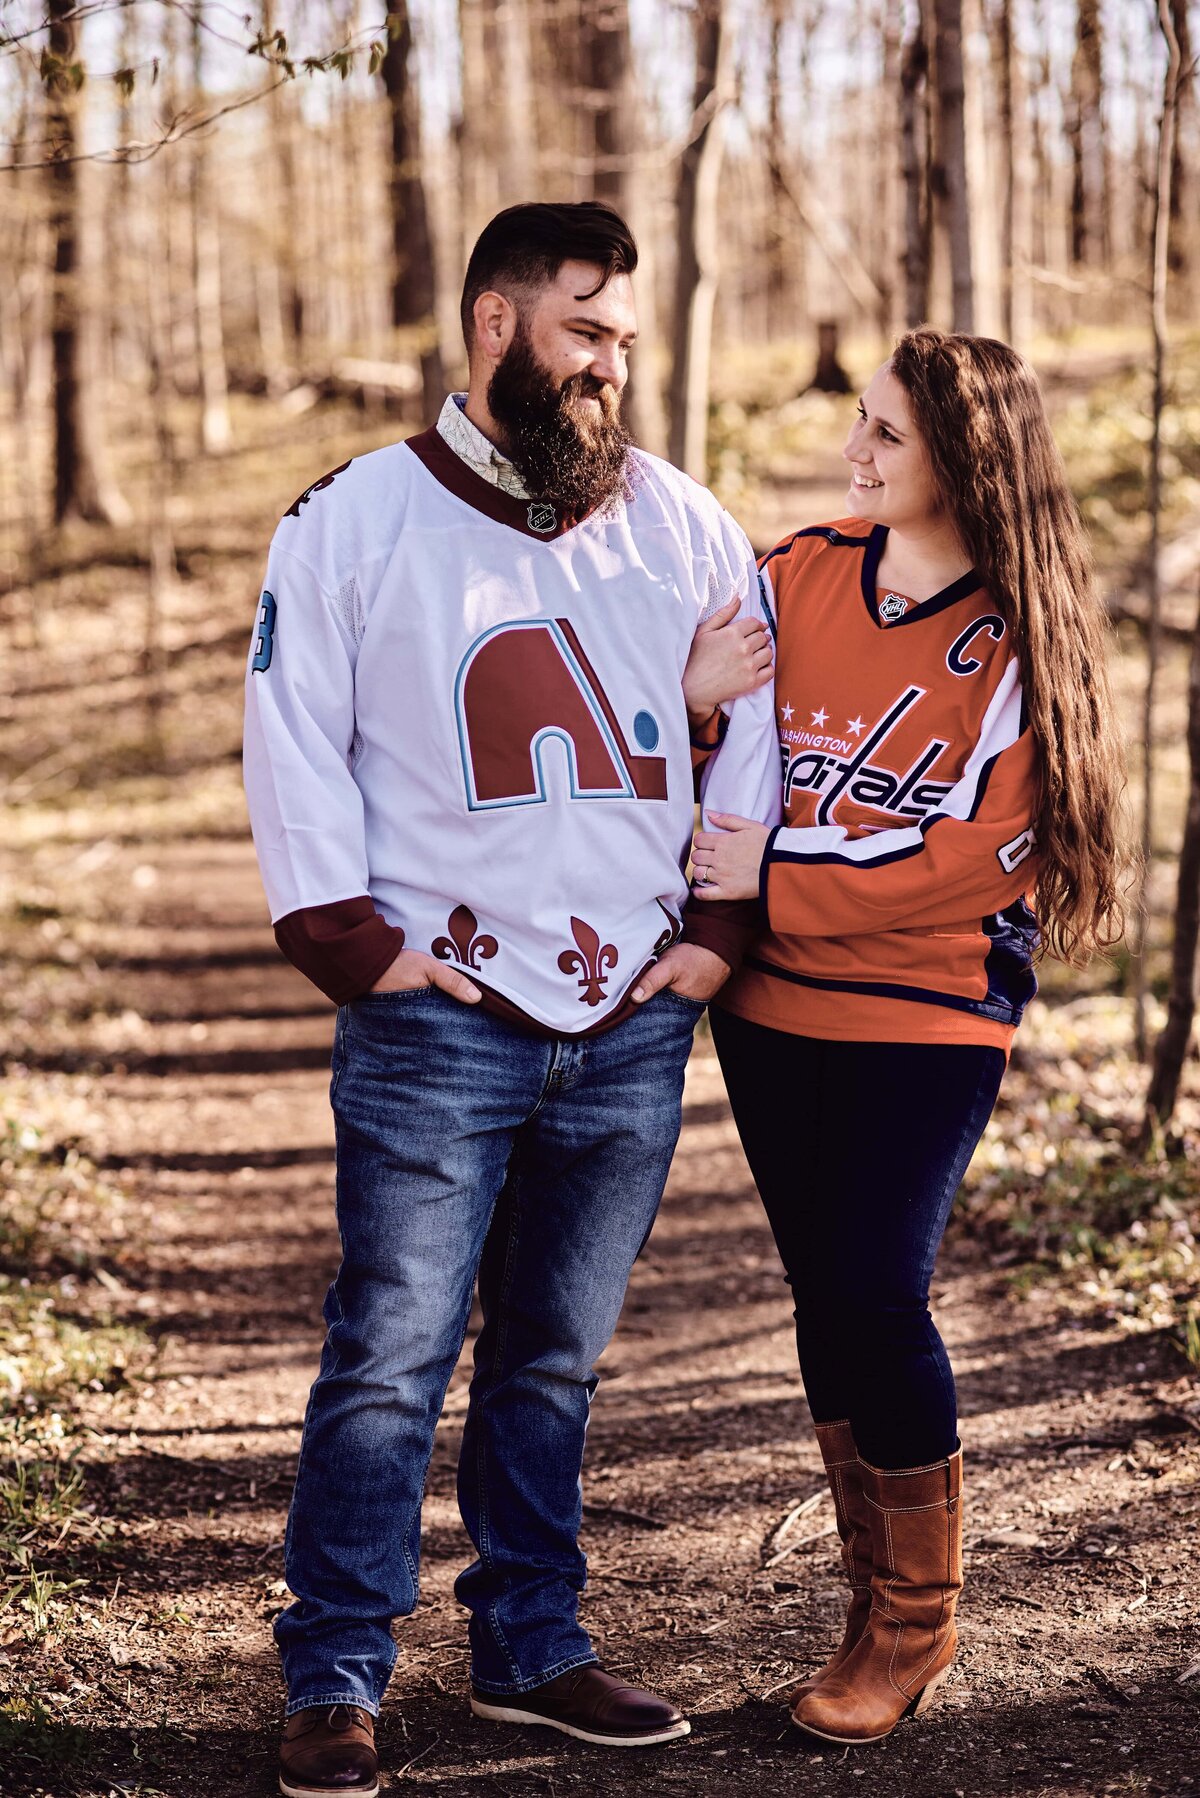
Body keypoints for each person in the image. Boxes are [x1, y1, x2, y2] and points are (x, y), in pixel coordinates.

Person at [242, 200, 779, 1798]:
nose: (615, 365)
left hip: (627, 1008)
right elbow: (293, 735)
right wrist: (354, 941)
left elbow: (746, 732)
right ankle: (337, 1665)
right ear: (496, 326)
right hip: (440, 1006)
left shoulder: (681, 524)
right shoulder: (352, 521)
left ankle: (530, 1647)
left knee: (555, 1353)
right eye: (586, 331)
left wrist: (716, 926)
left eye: (627, 336)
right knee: (393, 1345)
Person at [683, 328, 1126, 1745]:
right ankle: (867, 1596)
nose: (853, 451)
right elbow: (710, 763)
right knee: (825, 1294)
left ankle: (916, 1624)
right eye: (859, 423)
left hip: (931, 1005)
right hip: (772, 1007)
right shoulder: (796, 571)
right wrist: (695, 700)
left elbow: (972, 860)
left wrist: (768, 893)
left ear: (964, 463)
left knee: (879, 1286)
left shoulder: (1018, 633)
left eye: (885, 435)